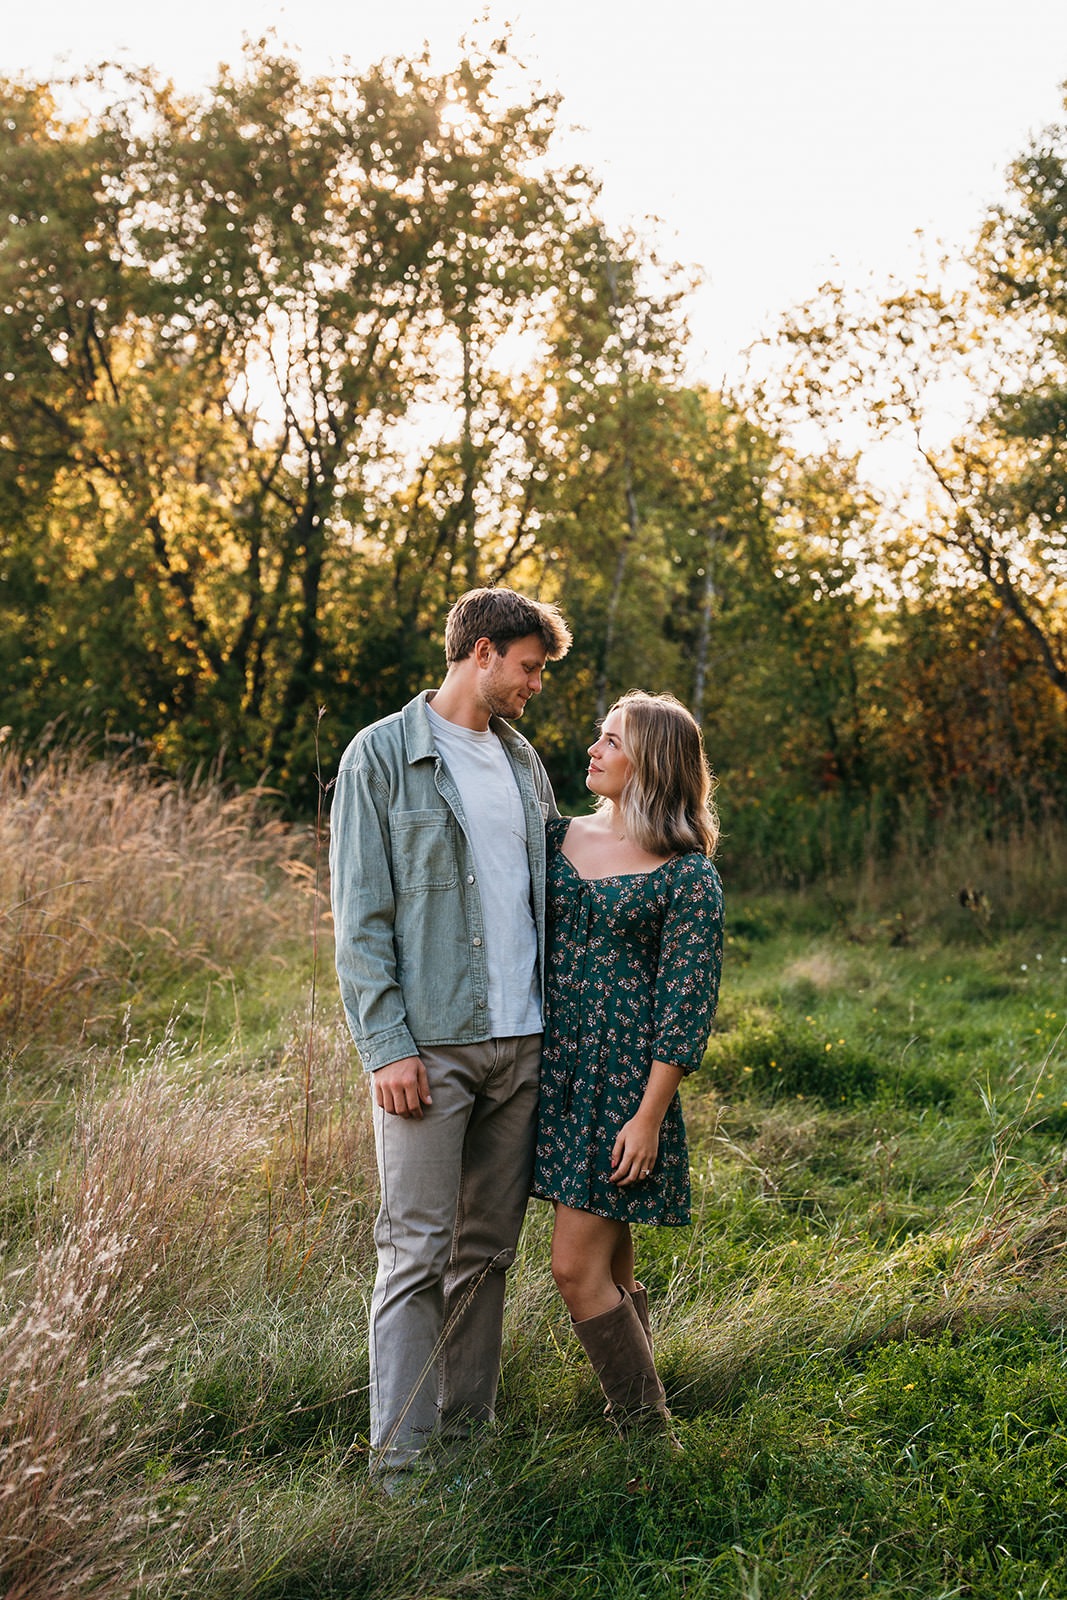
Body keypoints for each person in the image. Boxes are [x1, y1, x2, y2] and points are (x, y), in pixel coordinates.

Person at [329, 586, 572, 1485]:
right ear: (479, 652)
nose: (532, 686)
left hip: (523, 1043)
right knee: (415, 1251)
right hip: (429, 1046)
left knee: (485, 1254)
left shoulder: (522, 762)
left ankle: (466, 1444)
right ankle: (399, 1464)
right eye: (526, 667)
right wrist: (385, 1044)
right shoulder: (380, 757)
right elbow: (360, 917)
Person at [532, 690, 723, 1442]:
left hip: (618, 1089)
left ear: (651, 762)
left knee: (573, 1270)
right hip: (546, 1072)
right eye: (598, 736)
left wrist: (646, 1118)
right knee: (607, 1270)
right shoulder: (553, 837)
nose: (593, 749)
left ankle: (647, 1432)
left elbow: (686, 1006)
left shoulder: (685, 876)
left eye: (612, 740)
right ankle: (643, 1413)